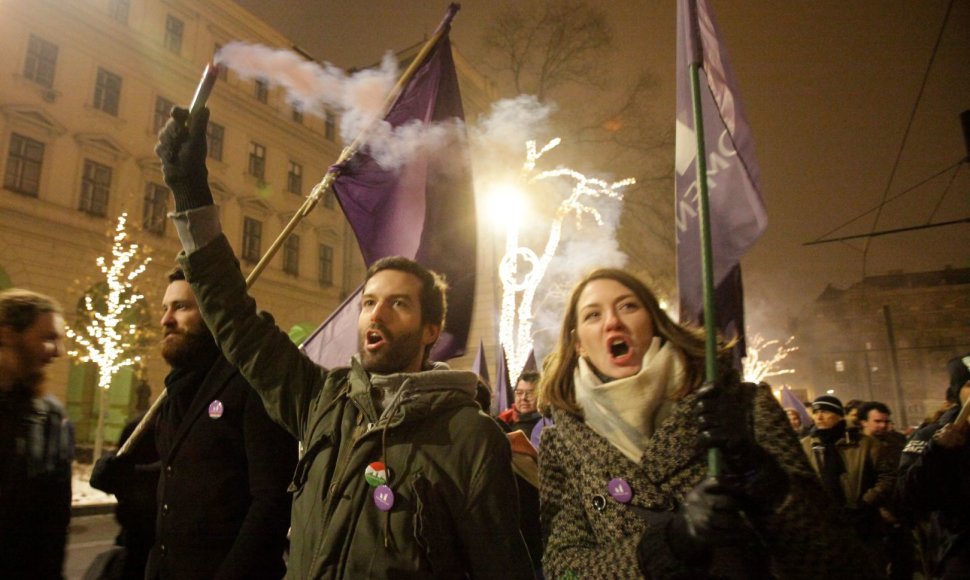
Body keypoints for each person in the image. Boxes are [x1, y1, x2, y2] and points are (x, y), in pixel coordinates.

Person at [155, 106, 533, 578]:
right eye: (369, 302)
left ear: (430, 331)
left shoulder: (469, 438)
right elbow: (236, 320)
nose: (376, 313)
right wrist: (189, 190)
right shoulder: (321, 401)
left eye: (398, 304)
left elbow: (500, 566)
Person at [536, 269, 871, 578]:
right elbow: (563, 570)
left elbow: (837, 558)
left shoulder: (741, 406)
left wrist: (761, 475)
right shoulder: (563, 443)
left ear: (654, 322)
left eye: (627, 306)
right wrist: (669, 544)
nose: (612, 322)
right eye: (593, 315)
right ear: (579, 342)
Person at [92, 268, 297, 579]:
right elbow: (187, 473)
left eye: (181, 307)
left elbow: (271, 501)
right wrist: (128, 478)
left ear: (216, 312)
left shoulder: (252, 383)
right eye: (165, 308)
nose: (166, 320)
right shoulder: (179, 388)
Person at [0, 289, 73, 579]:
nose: (58, 351)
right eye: (48, 338)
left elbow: (53, 528)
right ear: (7, 335)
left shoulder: (51, 419)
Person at [801, 395, 896, 570]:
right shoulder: (806, 446)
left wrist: (865, 503)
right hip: (825, 524)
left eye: (825, 412)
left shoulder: (865, 444)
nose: (819, 417)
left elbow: (887, 477)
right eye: (816, 412)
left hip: (863, 522)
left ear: (838, 415)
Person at [897, 354, 970, 578]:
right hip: (960, 555)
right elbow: (905, 497)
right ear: (958, 391)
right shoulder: (931, 436)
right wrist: (936, 453)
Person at [499, 370, 543, 436]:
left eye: (530, 393)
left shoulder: (548, 423)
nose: (523, 398)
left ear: (542, 395)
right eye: (519, 393)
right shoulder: (504, 420)